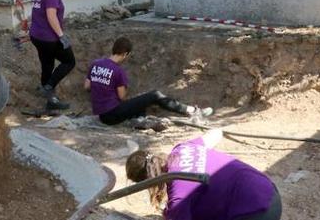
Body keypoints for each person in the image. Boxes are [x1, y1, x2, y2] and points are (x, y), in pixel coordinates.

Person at [126, 130, 282, 220]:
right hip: (269, 191)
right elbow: (216, 133)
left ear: (148, 181)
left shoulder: (178, 198)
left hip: (258, 213)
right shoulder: (183, 148)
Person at [84, 37, 212, 126]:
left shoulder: (96, 64)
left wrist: (101, 87)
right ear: (125, 54)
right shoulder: (118, 71)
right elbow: (122, 97)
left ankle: (140, 121)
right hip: (113, 115)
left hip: (102, 116)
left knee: (140, 104)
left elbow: (87, 86)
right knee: (155, 95)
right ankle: (192, 111)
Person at [29, 0, 74, 110]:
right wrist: (61, 35)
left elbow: (37, 12)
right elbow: (51, 15)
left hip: (36, 35)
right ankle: (48, 87)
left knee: (47, 65)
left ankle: (51, 101)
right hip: (49, 38)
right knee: (69, 61)